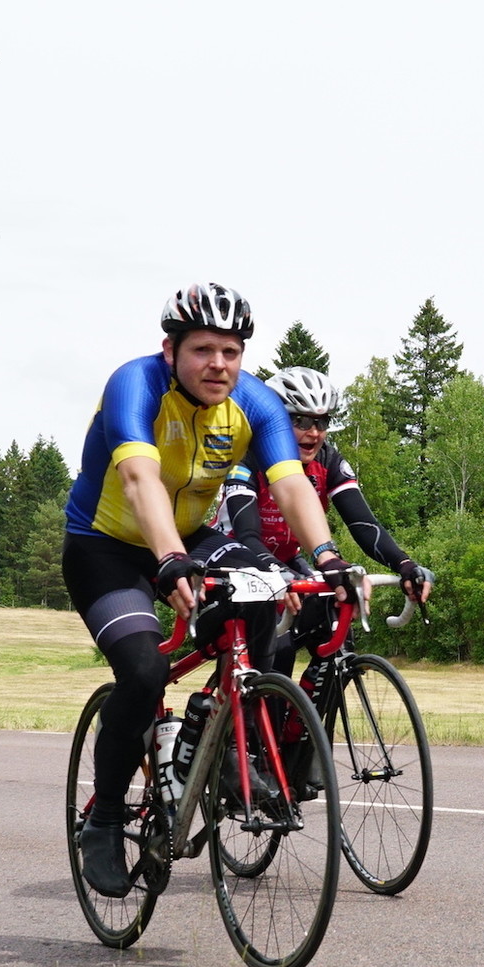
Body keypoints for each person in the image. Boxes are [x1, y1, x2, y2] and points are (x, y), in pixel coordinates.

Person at [62, 283, 355, 898]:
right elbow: (139, 479)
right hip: (106, 547)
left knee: (264, 588)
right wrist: (169, 559)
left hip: (192, 536)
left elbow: (292, 484)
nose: (218, 364)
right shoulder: (135, 385)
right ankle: (106, 817)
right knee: (145, 672)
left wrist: (327, 557)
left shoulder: (254, 402)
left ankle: (223, 739)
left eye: (231, 351)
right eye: (203, 350)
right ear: (170, 350)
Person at [216, 366, 434, 690]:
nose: (314, 433)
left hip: (286, 562)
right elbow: (247, 536)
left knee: (339, 628)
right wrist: (278, 572)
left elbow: (364, 524)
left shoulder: (328, 461)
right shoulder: (249, 457)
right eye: (300, 421)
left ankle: (306, 715)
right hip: (236, 563)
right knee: (279, 648)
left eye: (322, 422)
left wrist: (404, 564)